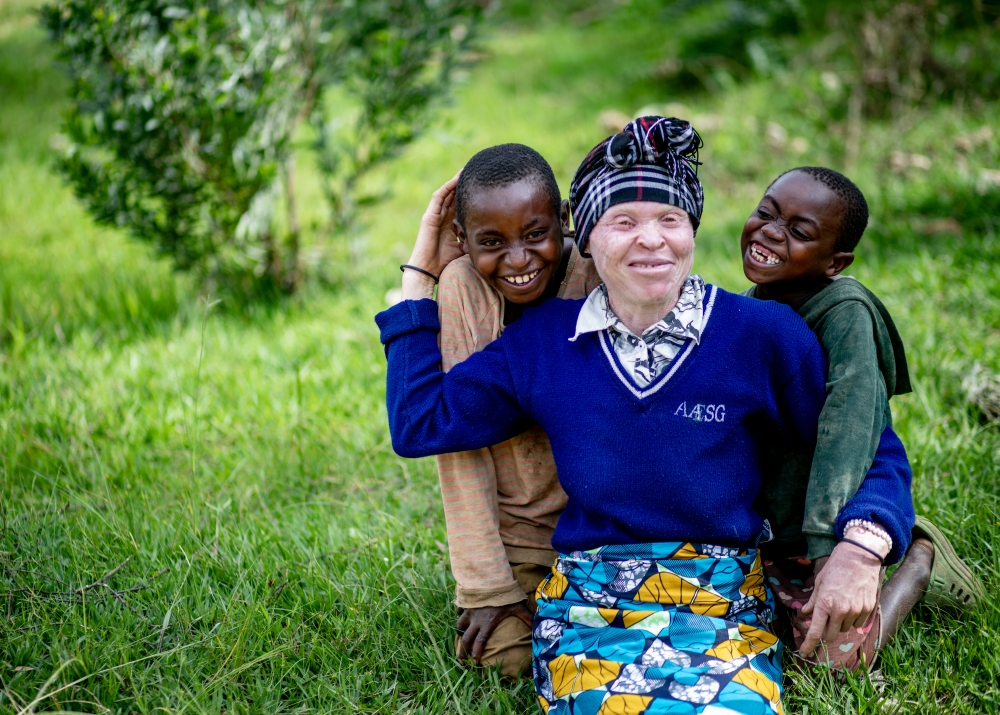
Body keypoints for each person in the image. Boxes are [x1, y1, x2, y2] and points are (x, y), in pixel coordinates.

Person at [377, 116, 914, 714]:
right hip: (589, 598)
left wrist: (862, 549)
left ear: (692, 230)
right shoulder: (546, 343)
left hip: (721, 599)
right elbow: (421, 421)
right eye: (624, 222)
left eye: (670, 220)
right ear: (586, 238)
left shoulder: (760, 334)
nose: (651, 240)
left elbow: (871, 444)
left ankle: (919, 558)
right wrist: (421, 273)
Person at [741, 166, 984, 668]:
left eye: (798, 231)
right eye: (766, 212)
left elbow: (847, 436)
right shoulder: (749, 309)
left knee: (829, 665)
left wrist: (835, 551)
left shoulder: (845, 312)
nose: (770, 231)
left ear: (836, 262)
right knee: (758, 637)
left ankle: (918, 562)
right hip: (778, 533)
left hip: (839, 519)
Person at [432, 144, 600, 677]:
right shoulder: (461, 286)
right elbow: (458, 444)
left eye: (535, 234)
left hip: (605, 528)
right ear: (462, 240)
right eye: (491, 242)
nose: (519, 259)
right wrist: (486, 585)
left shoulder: (595, 273)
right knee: (509, 656)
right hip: (519, 542)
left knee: (604, 646)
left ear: (564, 220)